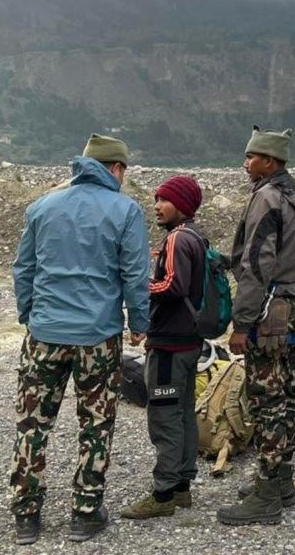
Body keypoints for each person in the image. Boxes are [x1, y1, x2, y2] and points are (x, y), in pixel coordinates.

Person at [9, 134, 150, 545]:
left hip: (44, 334)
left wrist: (29, 315)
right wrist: (138, 321)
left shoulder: (43, 206)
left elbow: (24, 270)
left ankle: (26, 515)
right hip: (97, 337)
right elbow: (134, 274)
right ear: (117, 168)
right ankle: (85, 512)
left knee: (32, 424)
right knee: (95, 424)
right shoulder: (126, 210)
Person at [218, 127, 295, 525]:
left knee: (265, 398)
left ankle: (266, 493)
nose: (245, 163)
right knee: (288, 390)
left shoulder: (266, 198)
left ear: (270, 162)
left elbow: (257, 266)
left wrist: (242, 323)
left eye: (252, 157)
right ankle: (281, 479)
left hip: (269, 308)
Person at [121, 176, 206, 521]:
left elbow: (172, 285)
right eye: (156, 198)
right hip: (189, 342)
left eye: (164, 200)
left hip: (170, 345)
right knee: (183, 412)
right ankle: (183, 486)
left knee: (164, 416)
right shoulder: (197, 237)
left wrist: (135, 283)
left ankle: (164, 493)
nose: (156, 205)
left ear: (182, 204)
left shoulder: (176, 239)